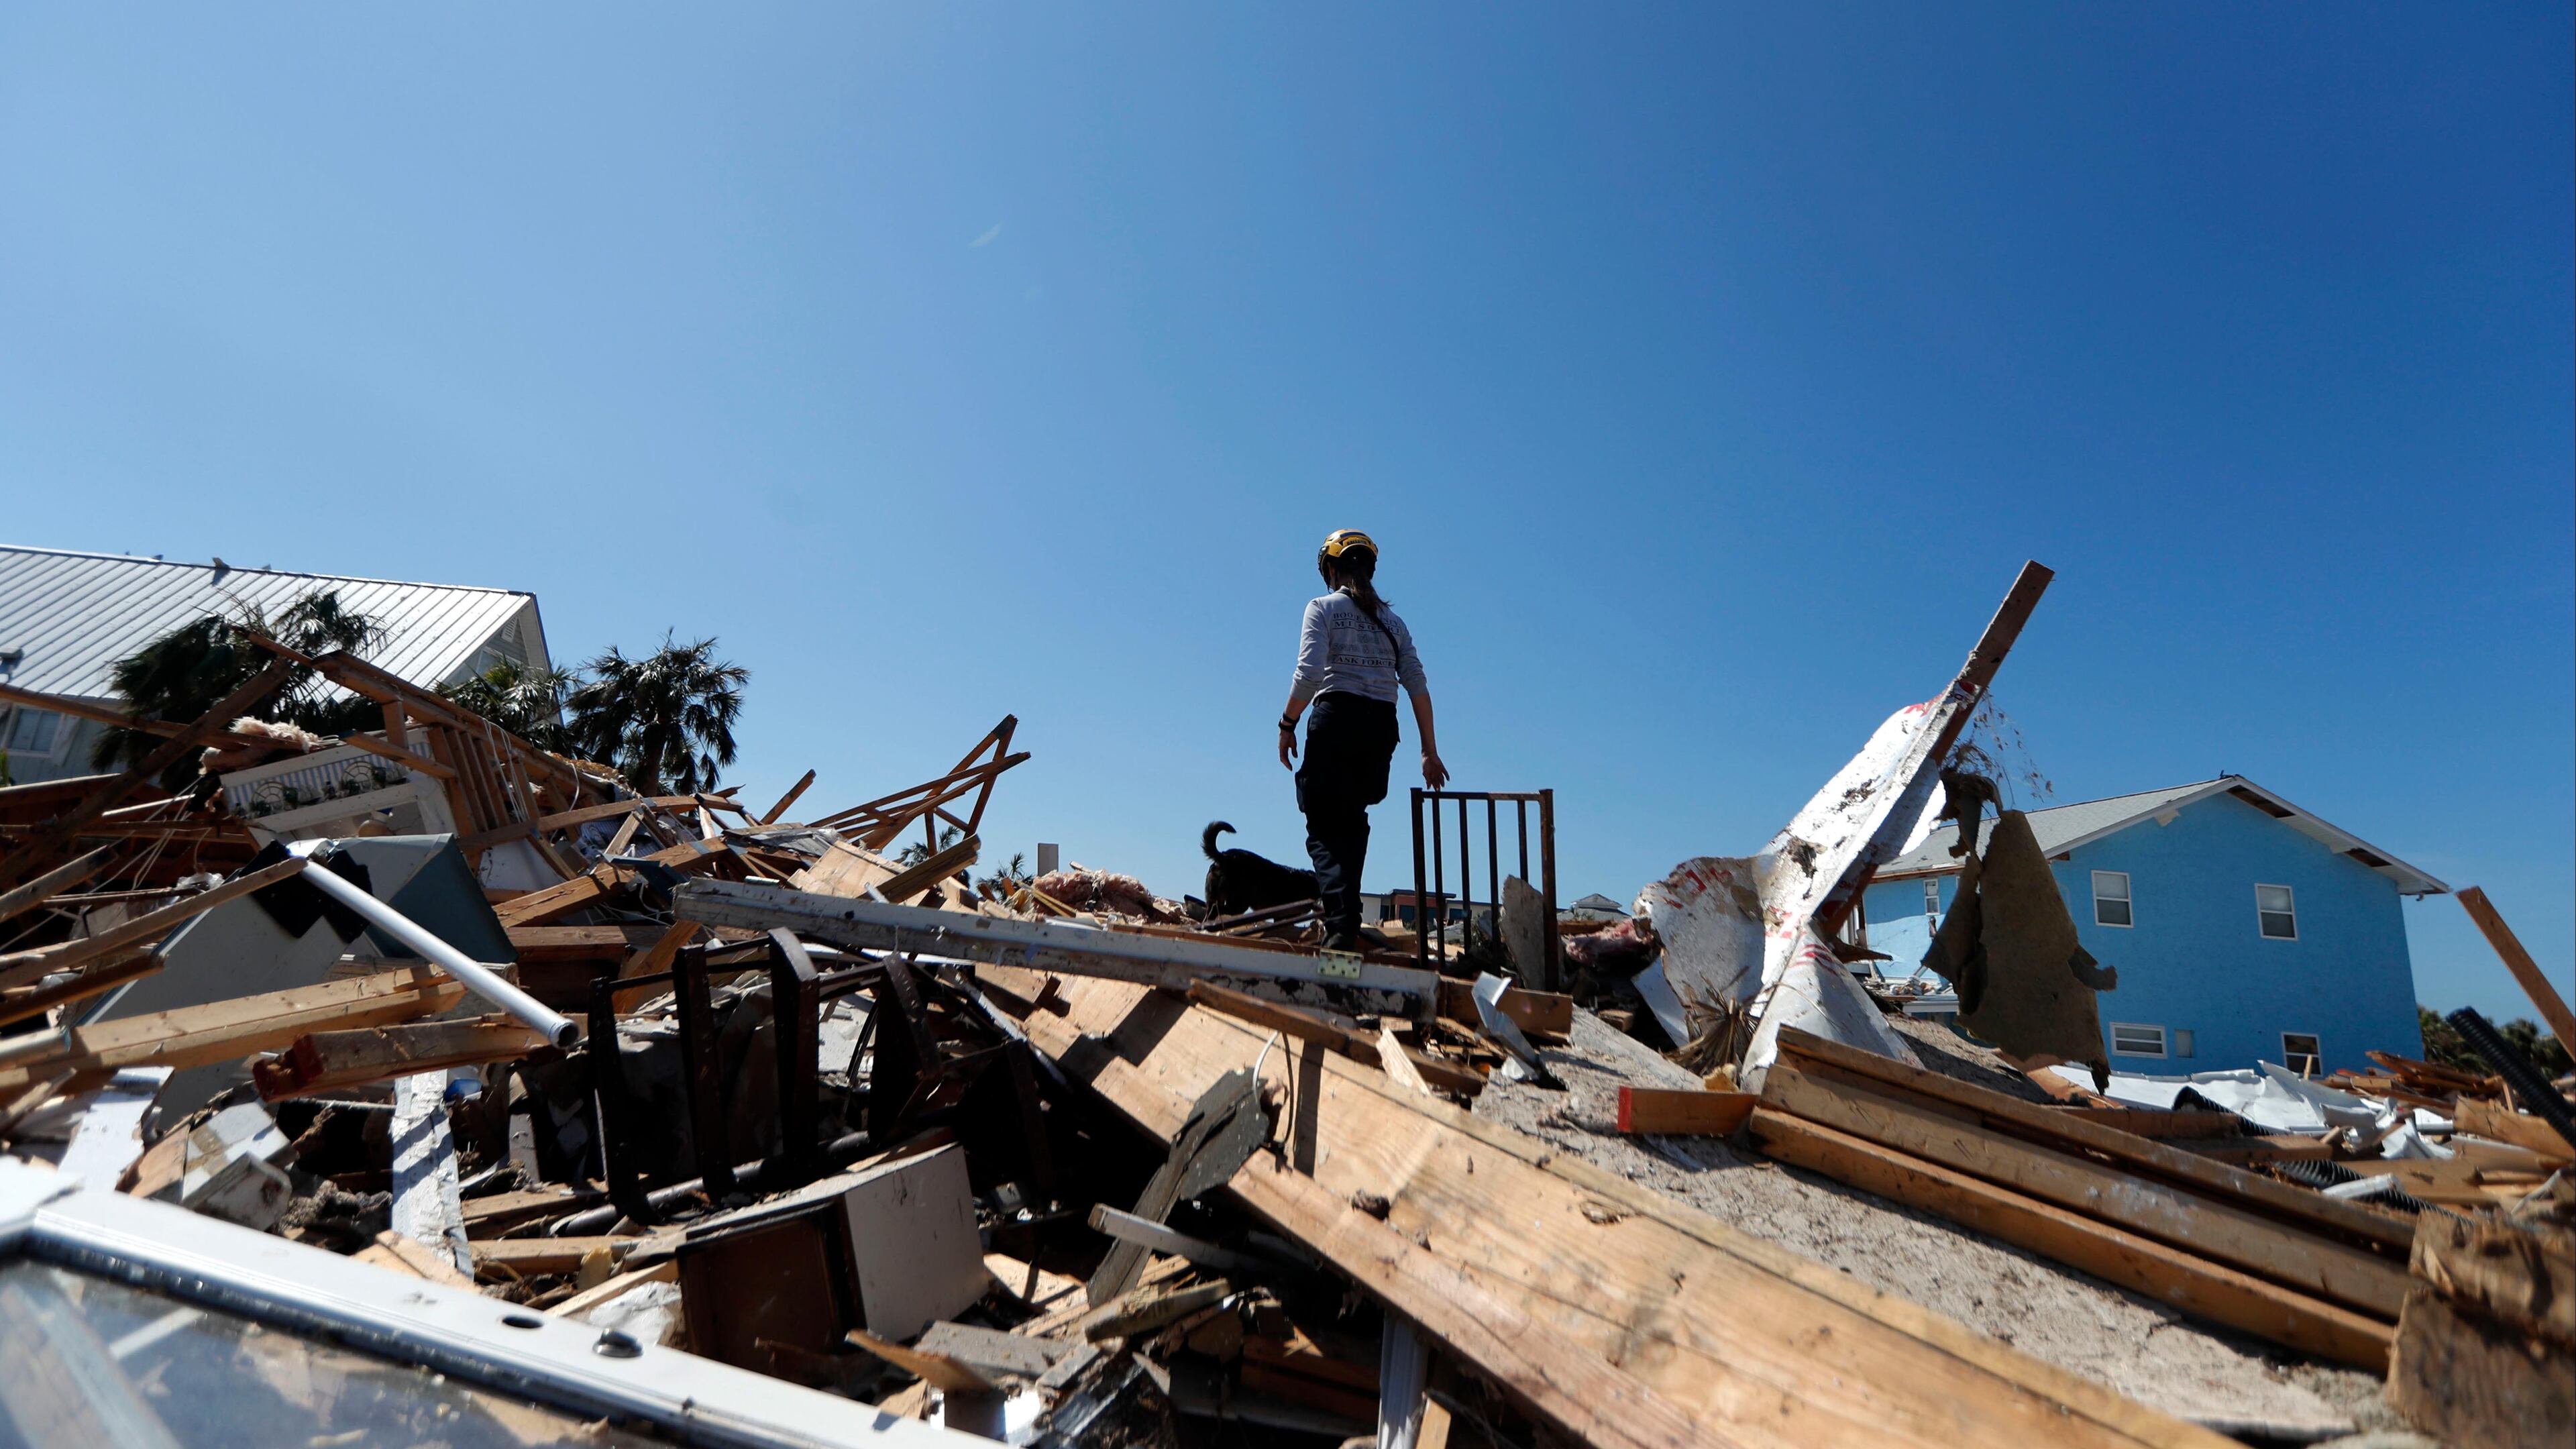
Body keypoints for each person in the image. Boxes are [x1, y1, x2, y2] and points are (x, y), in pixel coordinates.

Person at [1277, 529, 1448, 950]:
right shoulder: (1396, 624)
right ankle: (1345, 922)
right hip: (1380, 729)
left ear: (1331, 570)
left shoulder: (1321, 608)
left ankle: (1340, 931)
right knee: (1352, 822)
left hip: (1337, 719)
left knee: (1322, 825)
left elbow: (1309, 675)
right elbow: (1417, 685)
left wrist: (1287, 723)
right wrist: (1429, 751)